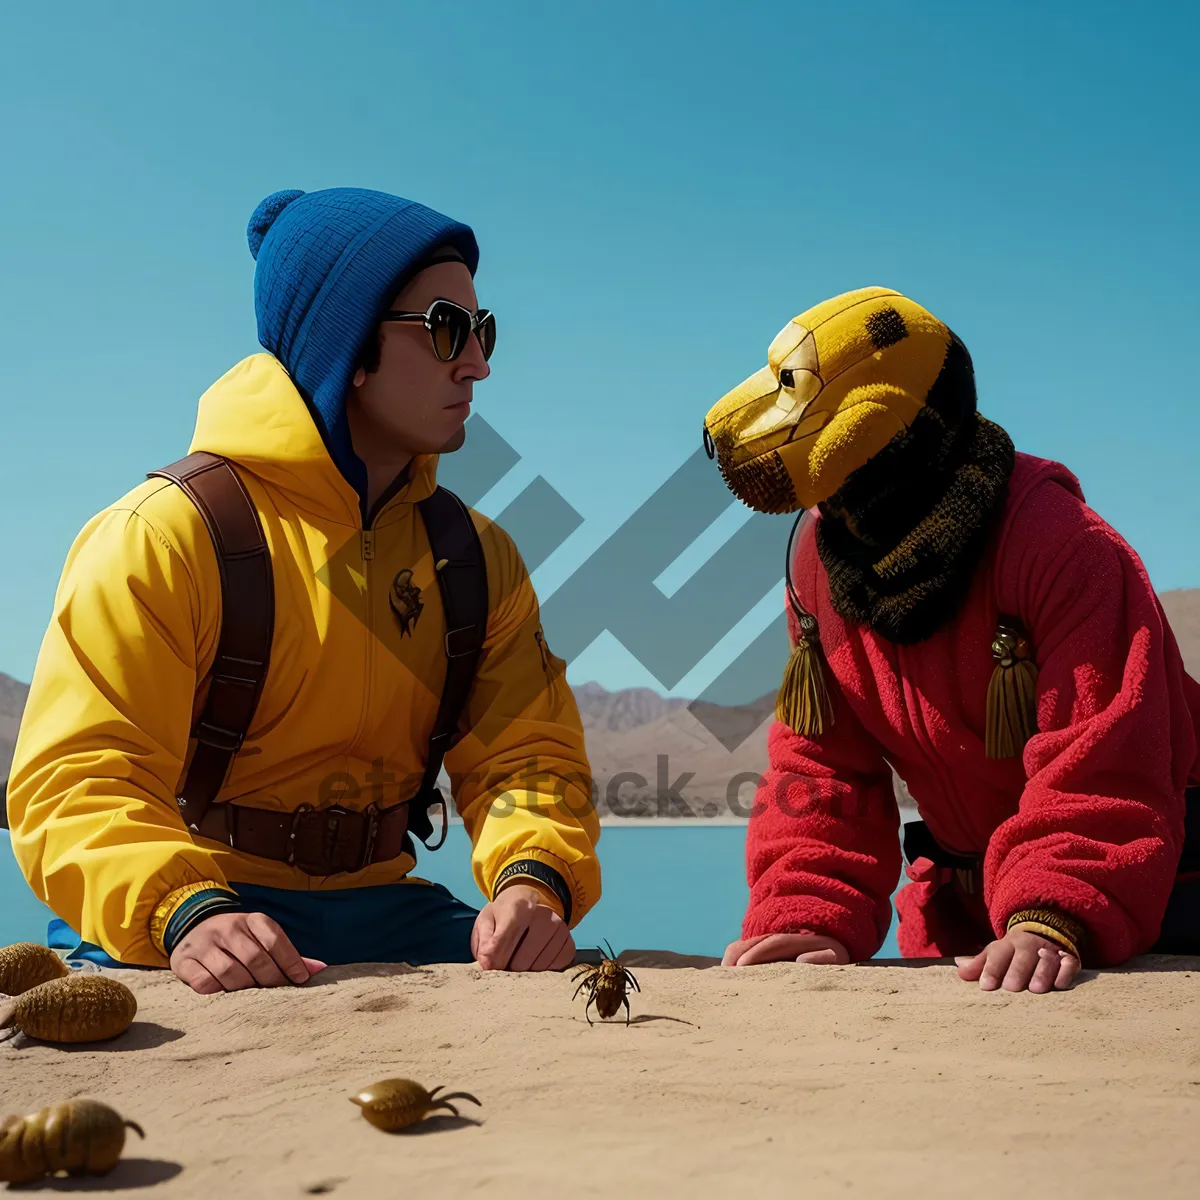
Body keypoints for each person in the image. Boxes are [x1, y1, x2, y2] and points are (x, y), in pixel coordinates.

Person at [7, 187, 601, 993]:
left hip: (387, 908)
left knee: (584, 992)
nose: (479, 362)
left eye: (482, 329)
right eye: (446, 329)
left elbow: (526, 756)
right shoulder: (164, 535)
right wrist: (184, 910)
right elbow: (80, 780)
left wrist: (534, 880)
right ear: (348, 345)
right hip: (204, 905)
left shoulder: (476, 556)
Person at [703, 286, 1200, 992]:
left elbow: (1108, 753)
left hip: (1162, 891)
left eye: (795, 386)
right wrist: (807, 912)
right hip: (962, 909)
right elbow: (822, 768)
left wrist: (1051, 912)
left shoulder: (1059, 544)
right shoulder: (817, 565)